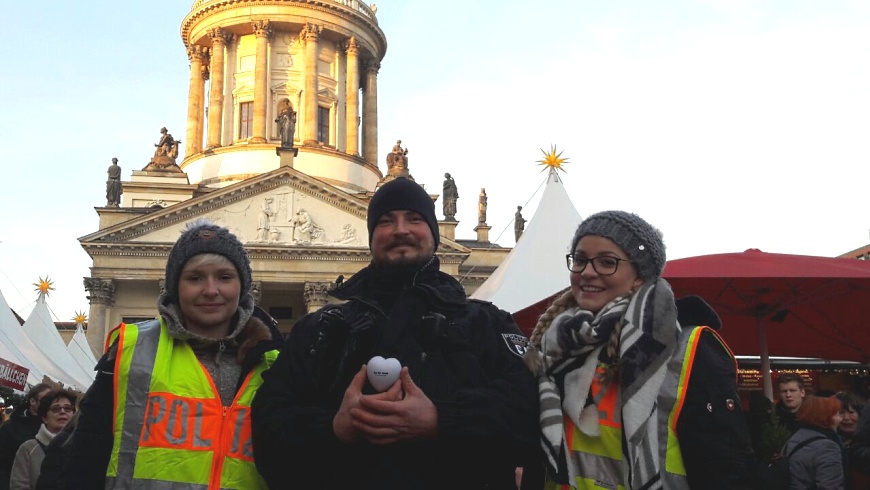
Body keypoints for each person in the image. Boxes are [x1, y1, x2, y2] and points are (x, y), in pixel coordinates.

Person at [251, 177, 540, 489]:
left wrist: (441, 418)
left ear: (434, 233)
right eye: (386, 221)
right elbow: (268, 425)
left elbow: (531, 410)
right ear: (371, 235)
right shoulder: (318, 330)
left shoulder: (486, 323)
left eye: (414, 219)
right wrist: (333, 427)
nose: (400, 229)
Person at [523, 210, 756, 489]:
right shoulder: (552, 346)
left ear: (639, 276)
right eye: (581, 260)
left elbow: (726, 469)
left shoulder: (688, 348)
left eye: (607, 262)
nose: (587, 272)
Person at [56, 219, 284, 489]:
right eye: (195, 278)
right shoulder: (132, 349)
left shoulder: (275, 362)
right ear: (175, 287)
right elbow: (81, 457)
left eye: (225, 277)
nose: (211, 290)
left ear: (242, 287)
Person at [9, 389, 77, 490]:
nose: (63, 412)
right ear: (44, 417)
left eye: (67, 409)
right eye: (56, 409)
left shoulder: (83, 446)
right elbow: (19, 486)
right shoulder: (28, 448)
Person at [783, 395, 847, 490]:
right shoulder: (827, 447)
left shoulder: (795, 438)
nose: (840, 419)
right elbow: (830, 486)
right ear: (826, 417)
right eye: (836, 414)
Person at [0, 384, 51, 490]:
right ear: (33, 401)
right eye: (46, 399)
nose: (49, 404)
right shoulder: (11, 427)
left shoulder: (53, 428)